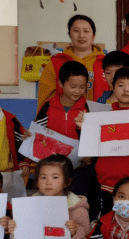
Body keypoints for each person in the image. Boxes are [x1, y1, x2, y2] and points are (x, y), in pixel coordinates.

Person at [7, 155, 90, 239]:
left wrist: (75, 231)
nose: (48, 182)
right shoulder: (30, 204)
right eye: (43, 177)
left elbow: (85, 236)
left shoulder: (76, 205)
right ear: (37, 181)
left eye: (55, 177)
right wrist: (15, 231)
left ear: (67, 182)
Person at [77, 67, 129, 219]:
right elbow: (92, 145)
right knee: (107, 220)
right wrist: (83, 128)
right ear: (113, 88)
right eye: (120, 85)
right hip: (107, 181)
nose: (126, 89)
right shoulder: (102, 117)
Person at [34, 61, 97, 207]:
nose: (77, 91)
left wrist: (92, 156)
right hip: (54, 168)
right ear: (61, 84)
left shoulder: (89, 109)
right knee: (54, 203)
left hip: (81, 168)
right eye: (73, 86)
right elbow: (38, 133)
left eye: (82, 87)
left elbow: (96, 137)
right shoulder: (48, 106)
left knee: (78, 203)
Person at [37, 15, 106, 110]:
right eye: (76, 31)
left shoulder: (105, 63)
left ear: (93, 35)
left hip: (98, 116)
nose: (81, 35)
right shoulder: (56, 62)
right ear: (70, 34)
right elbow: (45, 96)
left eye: (86, 31)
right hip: (65, 115)